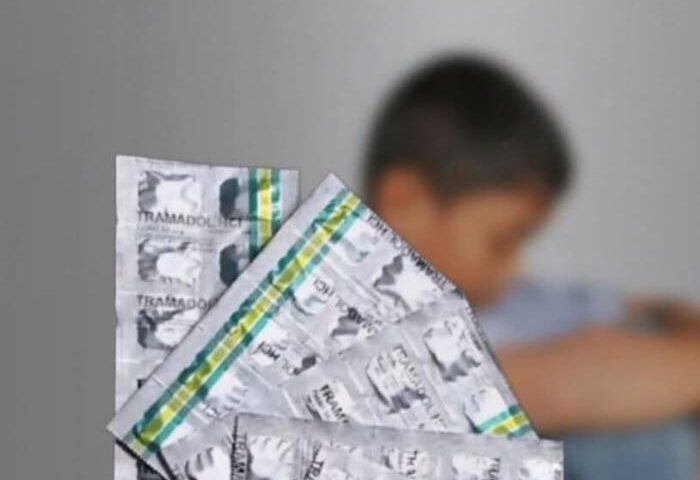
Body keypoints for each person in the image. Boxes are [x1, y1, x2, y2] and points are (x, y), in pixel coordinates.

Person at [362, 55, 700, 480]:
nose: (515, 269)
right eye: (502, 241)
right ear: (406, 202)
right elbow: (553, 389)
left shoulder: (510, 300)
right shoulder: (360, 332)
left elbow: (652, 316)